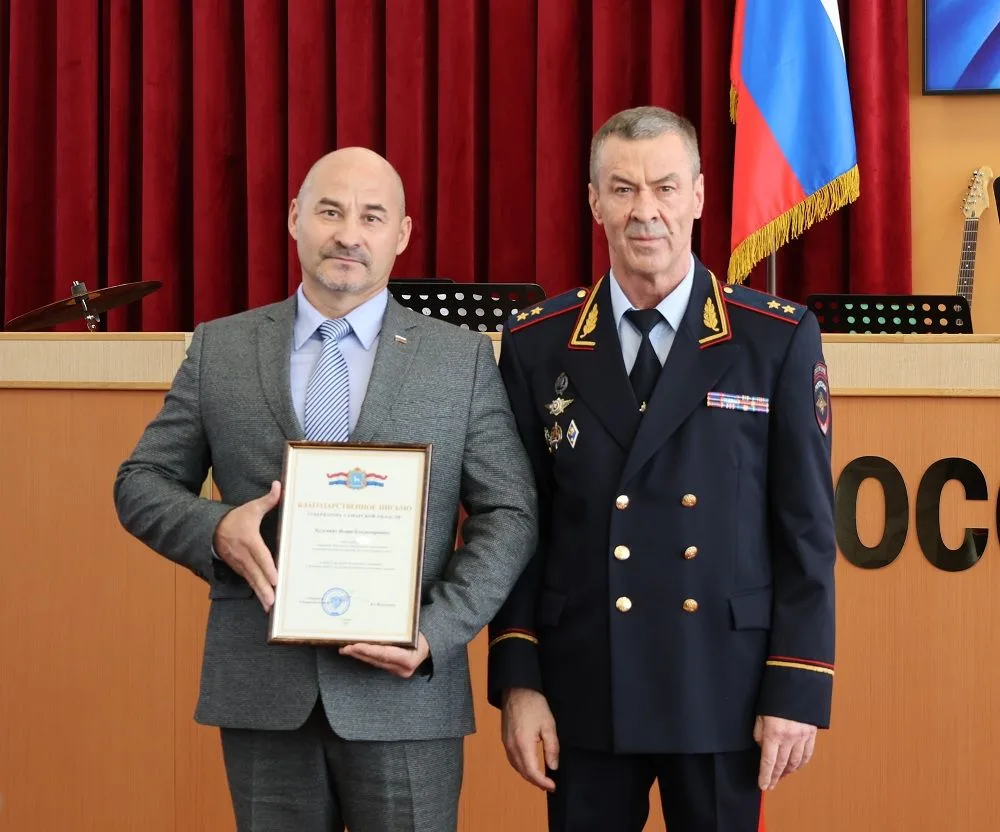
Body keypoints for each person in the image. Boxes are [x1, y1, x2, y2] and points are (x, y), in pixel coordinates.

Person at [114, 147, 537, 832]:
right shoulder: (221, 349)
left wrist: (436, 630)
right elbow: (140, 482)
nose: (349, 234)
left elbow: (510, 512)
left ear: (401, 234)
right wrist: (215, 529)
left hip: (405, 695)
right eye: (330, 211)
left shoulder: (459, 360)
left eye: (372, 217)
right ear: (294, 218)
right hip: (262, 690)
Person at [487, 106, 836, 831]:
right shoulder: (537, 344)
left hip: (723, 687)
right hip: (584, 685)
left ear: (699, 196)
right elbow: (518, 527)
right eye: (623, 189)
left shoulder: (774, 339)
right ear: (594, 203)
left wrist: (796, 684)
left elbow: (806, 530)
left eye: (665, 187)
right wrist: (519, 680)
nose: (645, 211)